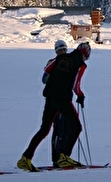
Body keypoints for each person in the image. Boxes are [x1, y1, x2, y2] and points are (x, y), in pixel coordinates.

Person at [17, 42, 91, 172]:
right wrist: (80, 96)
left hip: (50, 98)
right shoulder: (81, 65)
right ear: (85, 54)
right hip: (63, 99)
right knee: (76, 127)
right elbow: (76, 85)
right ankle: (64, 156)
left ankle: (25, 158)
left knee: (44, 129)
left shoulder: (59, 58)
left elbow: (47, 70)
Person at [42, 40, 70, 168]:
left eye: (64, 50)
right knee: (58, 130)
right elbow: (44, 79)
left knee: (66, 130)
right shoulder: (52, 62)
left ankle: (63, 158)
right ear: (56, 51)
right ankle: (56, 159)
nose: (62, 52)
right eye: (60, 50)